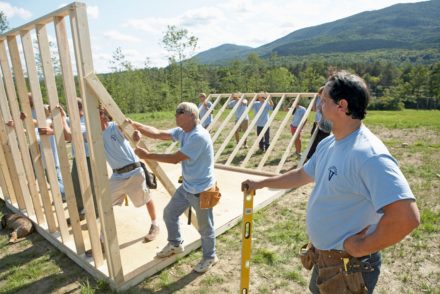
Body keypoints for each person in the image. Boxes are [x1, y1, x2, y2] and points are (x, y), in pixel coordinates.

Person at [241, 71, 420, 294]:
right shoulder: (330, 143)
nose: (317, 106)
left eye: (323, 100)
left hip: (349, 267)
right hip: (325, 260)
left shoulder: (368, 155)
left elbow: (407, 217)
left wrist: (361, 247)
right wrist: (261, 183)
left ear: (341, 106)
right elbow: (301, 175)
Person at [128, 102, 218, 273]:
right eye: (176, 111)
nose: (176, 115)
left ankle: (210, 257)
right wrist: (135, 125)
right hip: (188, 186)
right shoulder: (183, 131)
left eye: (180, 112)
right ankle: (175, 244)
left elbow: (176, 158)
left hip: (202, 190)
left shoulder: (198, 136)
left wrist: (147, 155)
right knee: (169, 213)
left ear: (192, 116)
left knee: (206, 227)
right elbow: (158, 133)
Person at [98, 108, 159, 242]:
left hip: (134, 172)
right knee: (104, 204)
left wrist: (136, 135)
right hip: (117, 176)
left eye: (99, 113)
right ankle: (102, 239)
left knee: (146, 198)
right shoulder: (94, 135)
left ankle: (155, 225)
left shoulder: (115, 127)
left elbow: (131, 132)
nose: (97, 117)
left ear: (104, 115)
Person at [306, 86, 332, 161]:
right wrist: (314, 100)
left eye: (322, 93)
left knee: (322, 140)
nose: (320, 95)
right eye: (320, 94)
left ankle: (320, 157)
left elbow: (326, 112)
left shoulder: (328, 100)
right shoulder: (317, 99)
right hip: (317, 122)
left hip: (325, 123)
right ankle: (310, 156)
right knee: (313, 138)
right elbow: (314, 109)